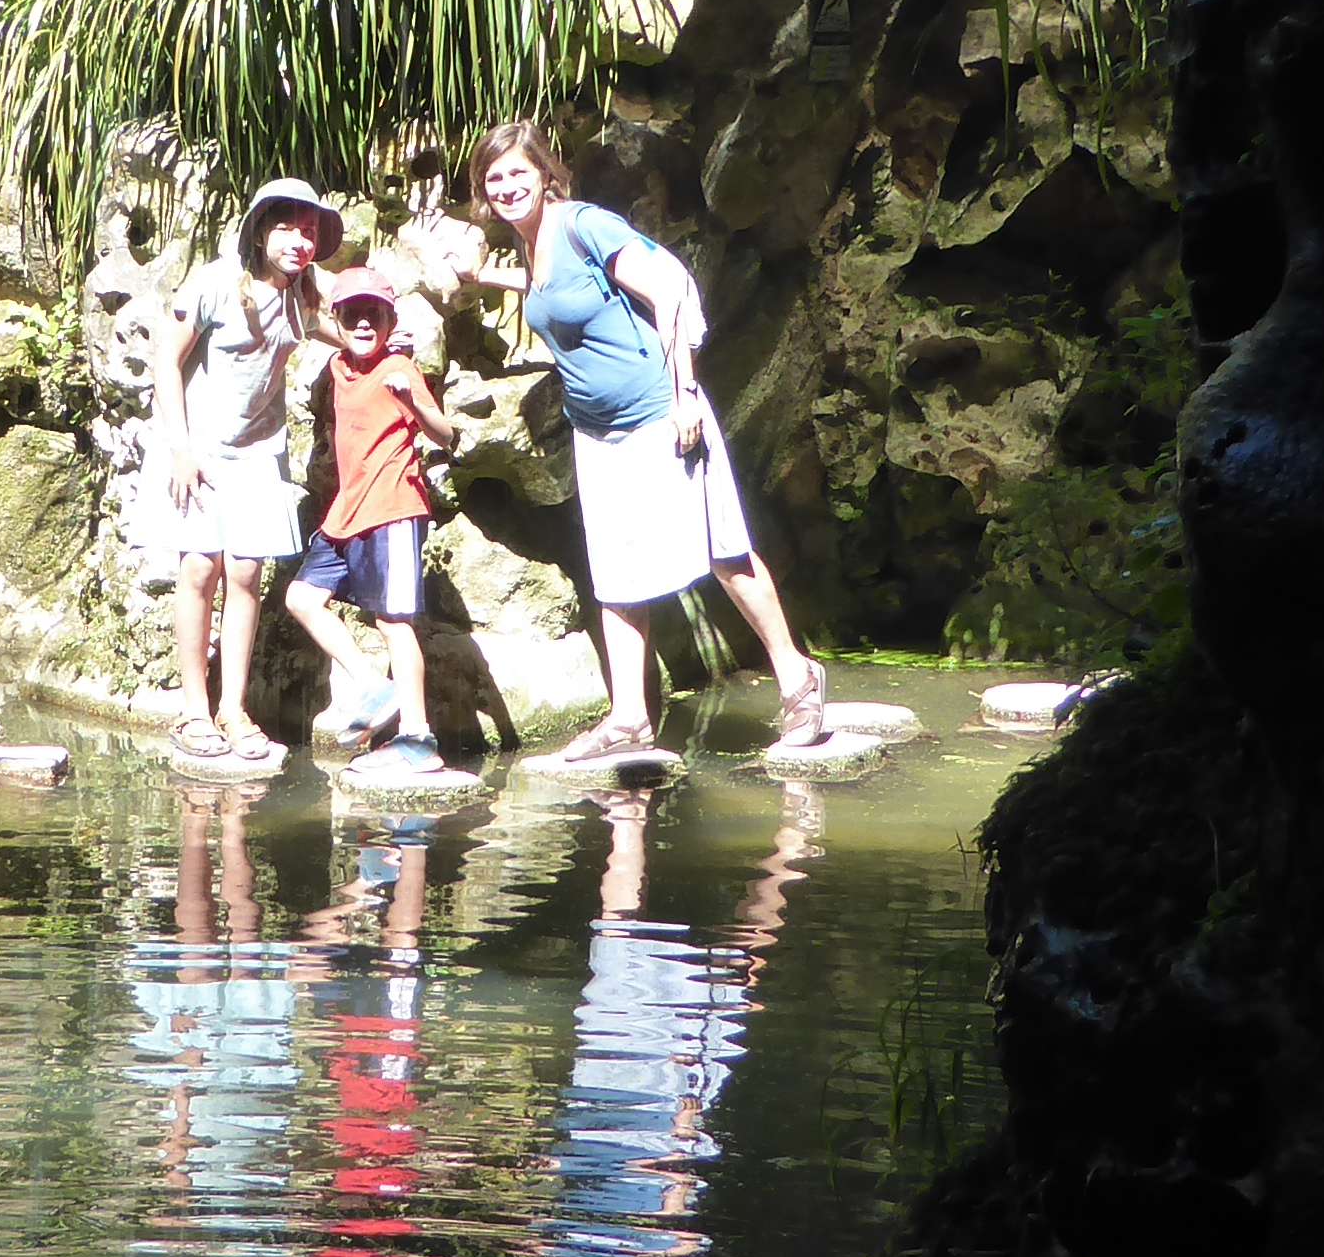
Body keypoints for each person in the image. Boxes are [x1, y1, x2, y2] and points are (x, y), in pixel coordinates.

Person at [438, 121, 828, 757]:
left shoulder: (583, 224)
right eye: (494, 177)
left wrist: (684, 393)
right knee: (617, 574)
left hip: (658, 412)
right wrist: (486, 277)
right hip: (597, 432)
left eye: (517, 172)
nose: (507, 186)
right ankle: (628, 719)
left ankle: (798, 677)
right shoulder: (532, 246)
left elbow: (668, 288)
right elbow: (556, 294)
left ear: (545, 173)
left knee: (722, 551)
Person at [152, 177, 338, 760]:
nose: (298, 241)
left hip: (259, 451)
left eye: (308, 232)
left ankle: (233, 709)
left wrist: (382, 336)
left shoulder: (303, 295)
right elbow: (166, 358)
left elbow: (336, 328)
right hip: (199, 447)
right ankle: (193, 709)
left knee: (246, 572)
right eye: (286, 228)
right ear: (259, 232)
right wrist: (181, 450)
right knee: (199, 569)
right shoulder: (215, 282)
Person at [284, 272, 460, 771]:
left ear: (390, 321)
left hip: (392, 508)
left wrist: (409, 401)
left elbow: (445, 435)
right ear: (339, 321)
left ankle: (418, 740)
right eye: (353, 315)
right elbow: (309, 319)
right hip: (347, 512)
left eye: (374, 315)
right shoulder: (339, 364)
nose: (364, 324)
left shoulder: (399, 367)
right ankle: (373, 686)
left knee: (392, 621)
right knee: (301, 598)